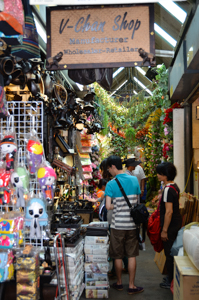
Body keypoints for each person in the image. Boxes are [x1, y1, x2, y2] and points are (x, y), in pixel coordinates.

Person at [105, 155, 144, 295]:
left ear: (113, 167)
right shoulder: (134, 180)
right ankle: (132, 285)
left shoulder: (110, 184)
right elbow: (137, 202)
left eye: (109, 168)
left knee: (117, 255)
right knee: (132, 255)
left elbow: (108, 206)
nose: (109, 171)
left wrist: (118, 204)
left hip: (117, 225)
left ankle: (120, 283)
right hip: (132, 225)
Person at [156, 162, 182, 289]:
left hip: (170, 226)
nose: (157, 175)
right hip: (176, 223)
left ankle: (170, 280)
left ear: (165, 175)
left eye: (159, 173)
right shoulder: (174, 186)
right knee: (171, 251)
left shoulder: (167, 190)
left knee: (169, 252)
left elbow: (169, 211)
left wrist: (164, 230)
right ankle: (171, 278)